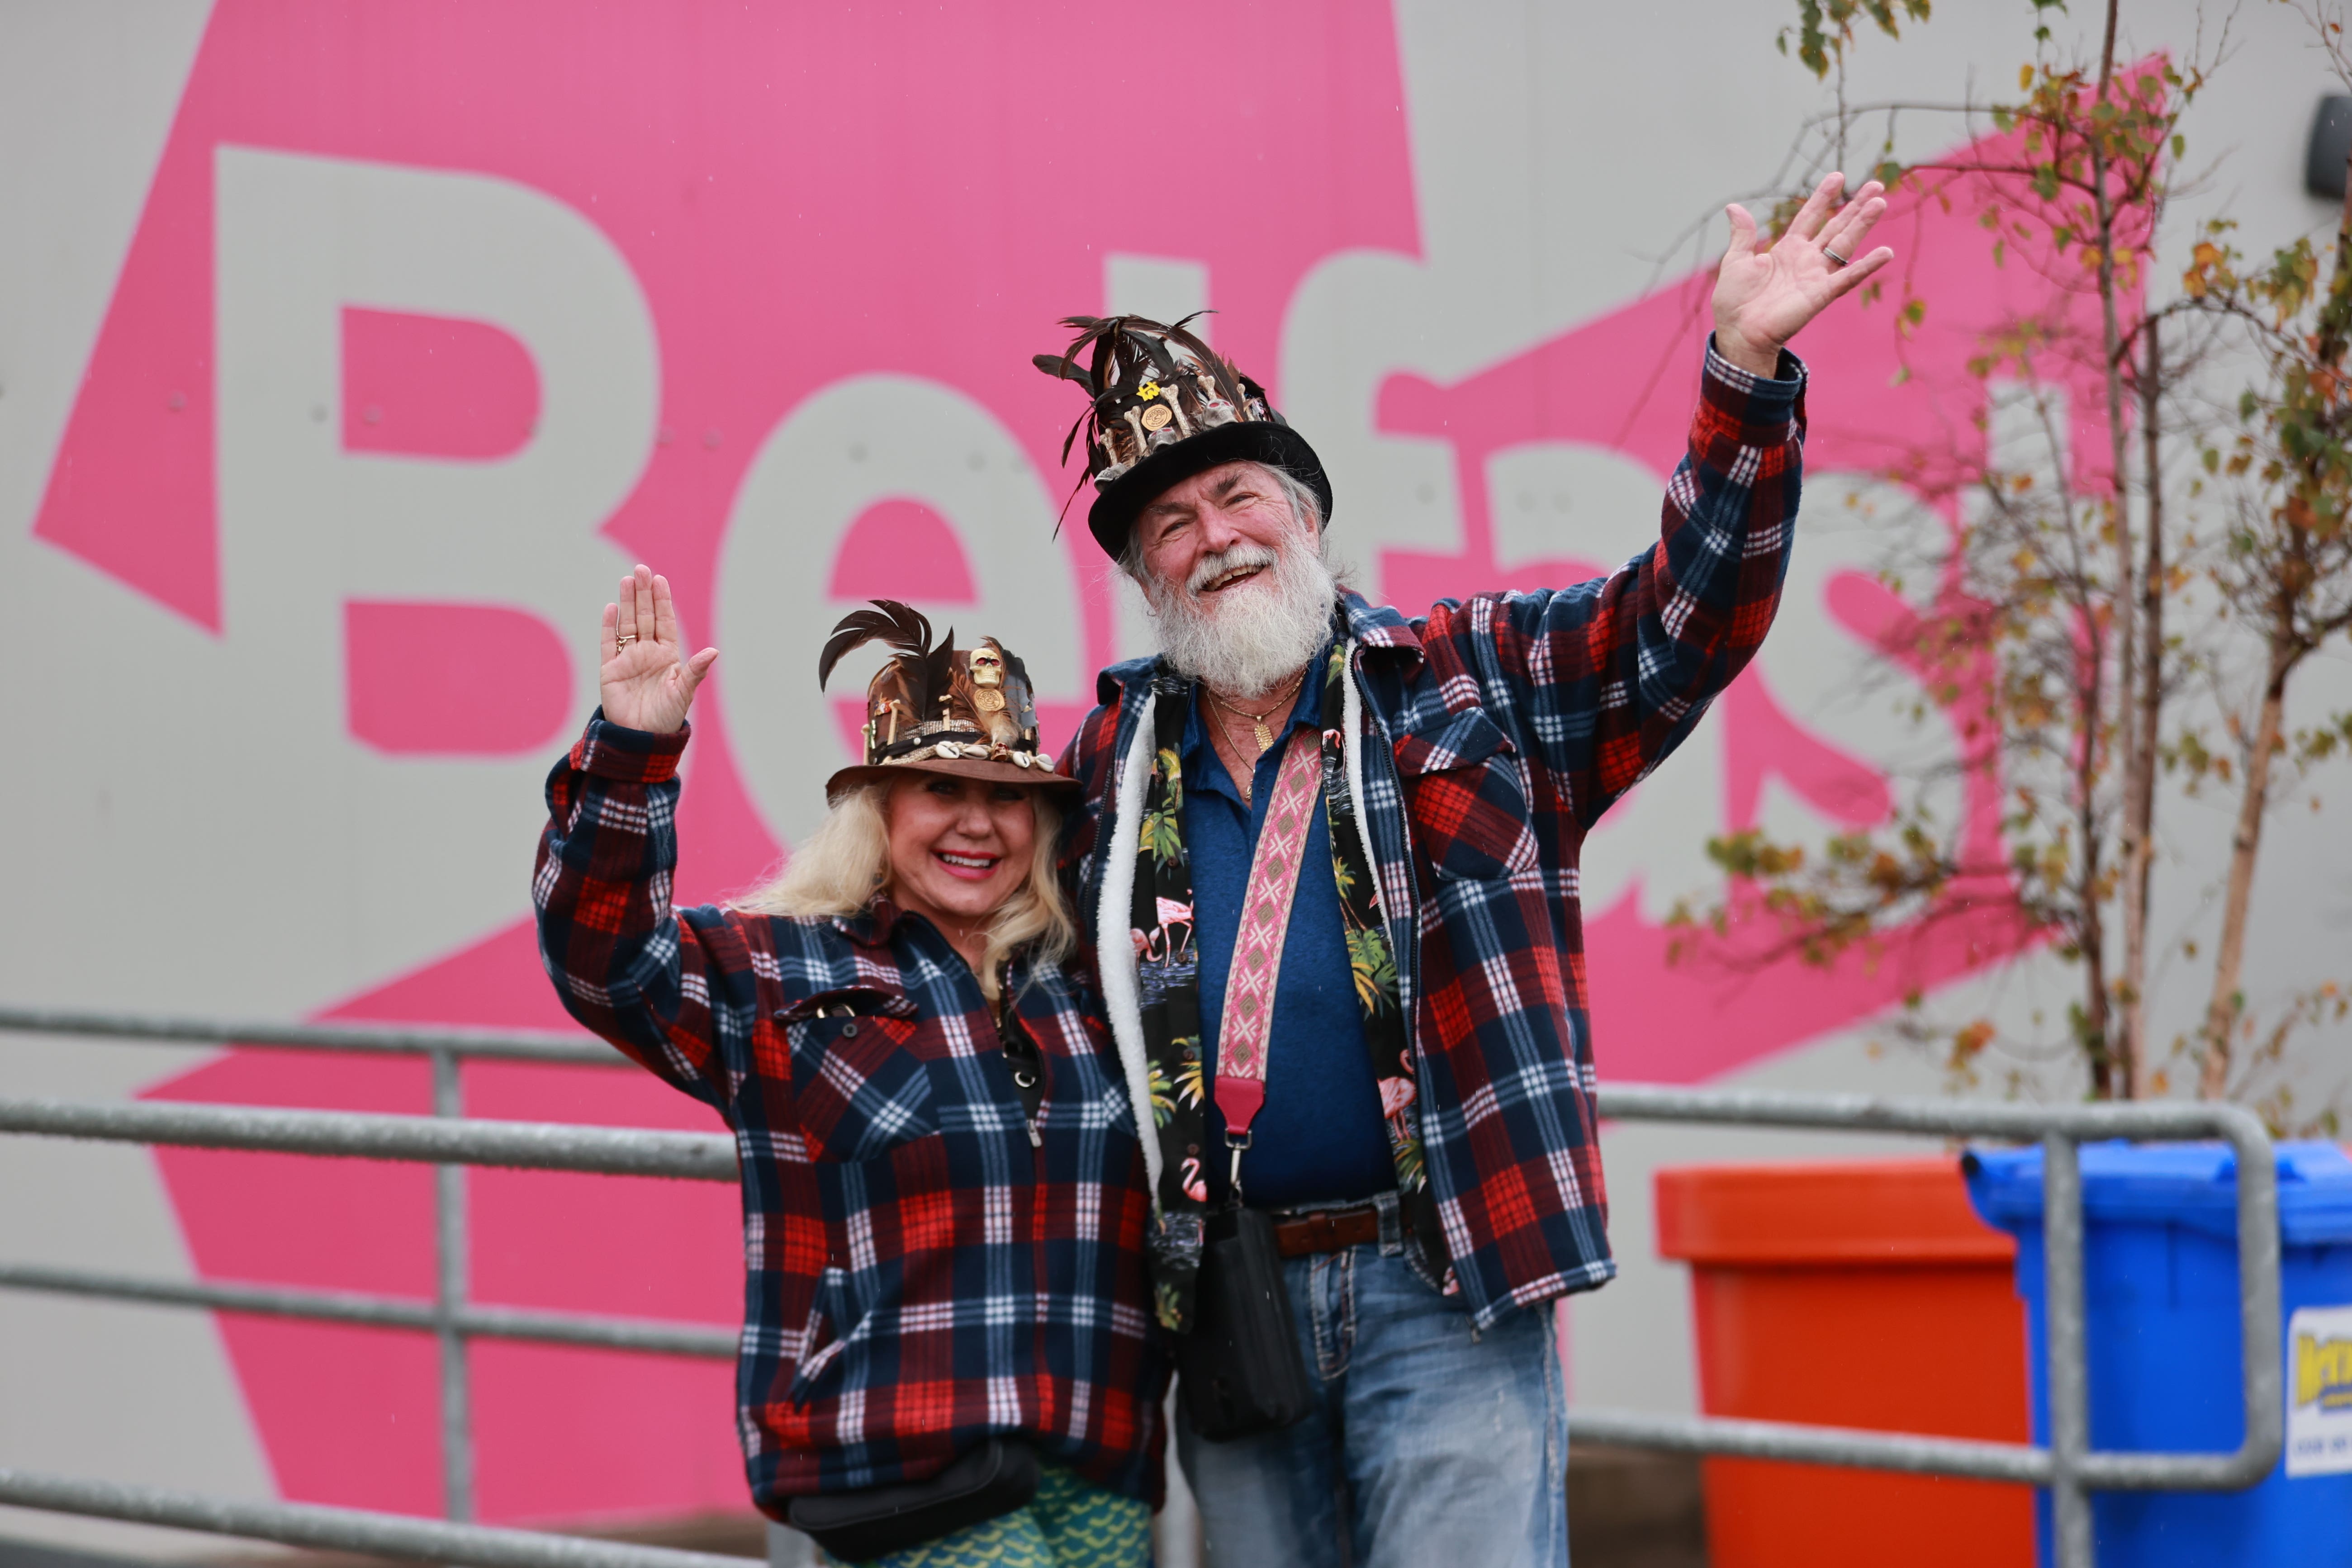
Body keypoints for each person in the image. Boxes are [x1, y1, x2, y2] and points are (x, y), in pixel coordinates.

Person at [1038, 174, 1893, 1566]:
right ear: (1146, 574)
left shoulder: (1469, 682)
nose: (1216, 536)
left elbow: (1685, 617)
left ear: (1307, 514)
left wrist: (1743, 375)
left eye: (1240, 493)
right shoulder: (1105, 770)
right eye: (1172, 525)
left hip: (1447, 1284)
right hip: (1232, 1303)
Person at [533, 571, 1168, 1566]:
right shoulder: (783, 970)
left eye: (1006, 797)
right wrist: (633, 755)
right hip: (898, 1452)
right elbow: (603, 963)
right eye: (941, 790)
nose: (977, 823)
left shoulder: (1086, 981)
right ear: (877, 807)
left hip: (1097, 1450)